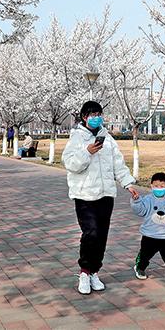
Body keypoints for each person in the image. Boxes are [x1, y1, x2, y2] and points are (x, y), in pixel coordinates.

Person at [62, 100, 138, 295]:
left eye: (98, 114)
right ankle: (84, 272)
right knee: (91, 233)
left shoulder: (108, 138)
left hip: (106, 195)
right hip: (85, 195)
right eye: (92, 115)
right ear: (84, 117)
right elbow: (70, 164)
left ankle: (95, 271)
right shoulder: (76, 138)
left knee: (102, 235)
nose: (96, 118)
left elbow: (118, 164)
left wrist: (128, 184)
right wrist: (87, 152)